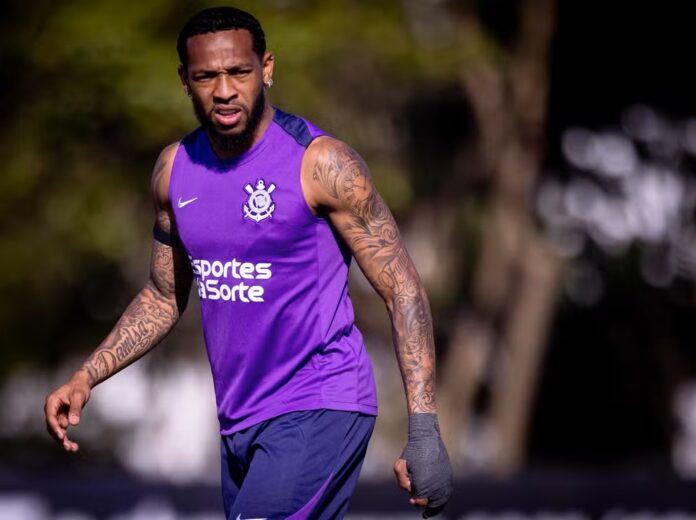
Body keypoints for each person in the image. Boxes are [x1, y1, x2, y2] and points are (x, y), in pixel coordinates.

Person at [44, 6, 452, 519]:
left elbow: (402, 287)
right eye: (205, 77)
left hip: (319, 404)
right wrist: (86, 376)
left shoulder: (322, 164)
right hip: (238, 422)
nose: (224, 91)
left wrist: (424, 428)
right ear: (184, 81)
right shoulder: (174, 171)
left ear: (267, 69)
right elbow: (163, 297)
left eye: (238, 72)